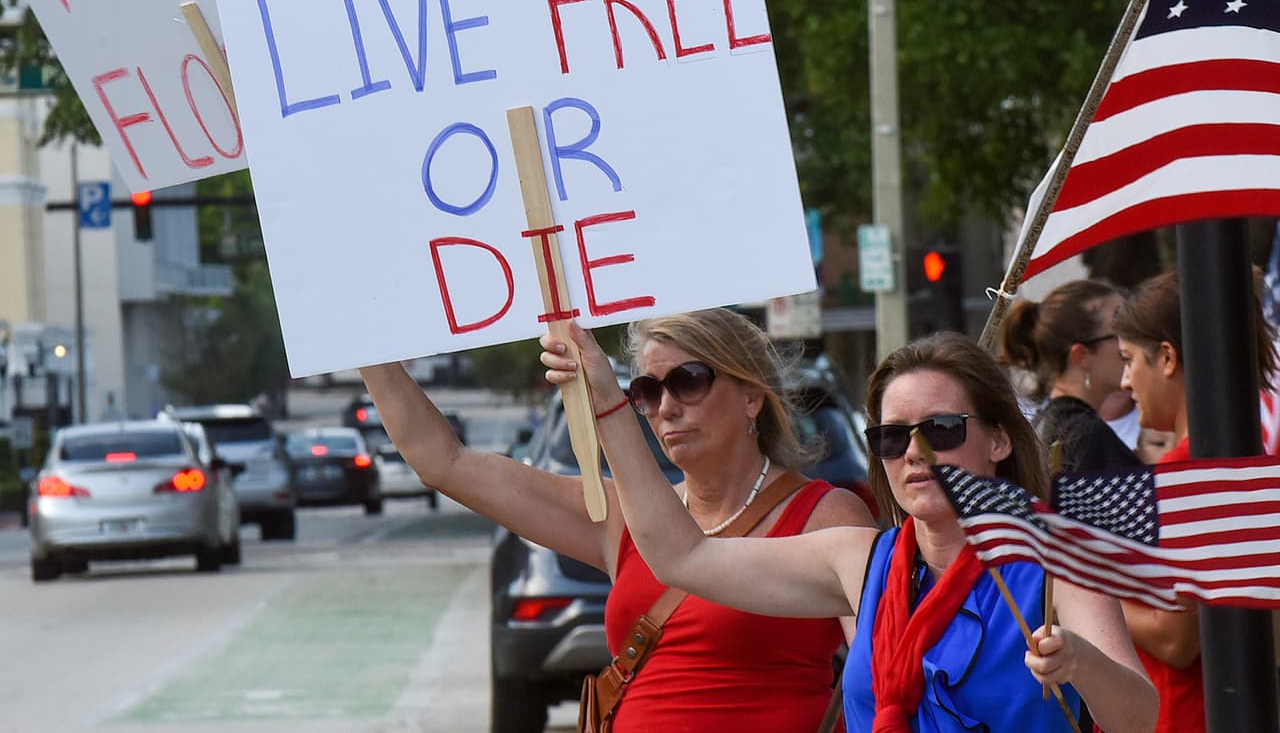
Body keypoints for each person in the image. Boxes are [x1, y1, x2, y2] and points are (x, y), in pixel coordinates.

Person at [543, 324, 1157, 732]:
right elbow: (679, 556)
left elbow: (1139, 715)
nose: (914, 454)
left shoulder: (1057, 559)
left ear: (998, 439)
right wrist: (608, 400)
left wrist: (1079, 663)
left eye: (941, 430)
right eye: (892, 437)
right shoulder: (858, 560)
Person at [360, 308, 874, 732]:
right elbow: (443, 462)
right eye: (648, 392)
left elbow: (883, 668)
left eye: (687, 381)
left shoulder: (827, 516)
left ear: (752, 396)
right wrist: (359, 341)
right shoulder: (620, 517)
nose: (665, 407)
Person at [1114, 269, 1280, 733]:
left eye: (1129, 360)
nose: (1125, 381)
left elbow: (1176, 639)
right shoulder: (1245, 458)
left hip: (1184, 714)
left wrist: (1090, 596)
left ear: (1166, 357)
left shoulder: (1185, 474)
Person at [999, 279, 1141, 474]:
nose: (1133, 342)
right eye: (1121, 332)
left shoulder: (1052, 425)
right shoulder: (1086, 436)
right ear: (1081, 356)